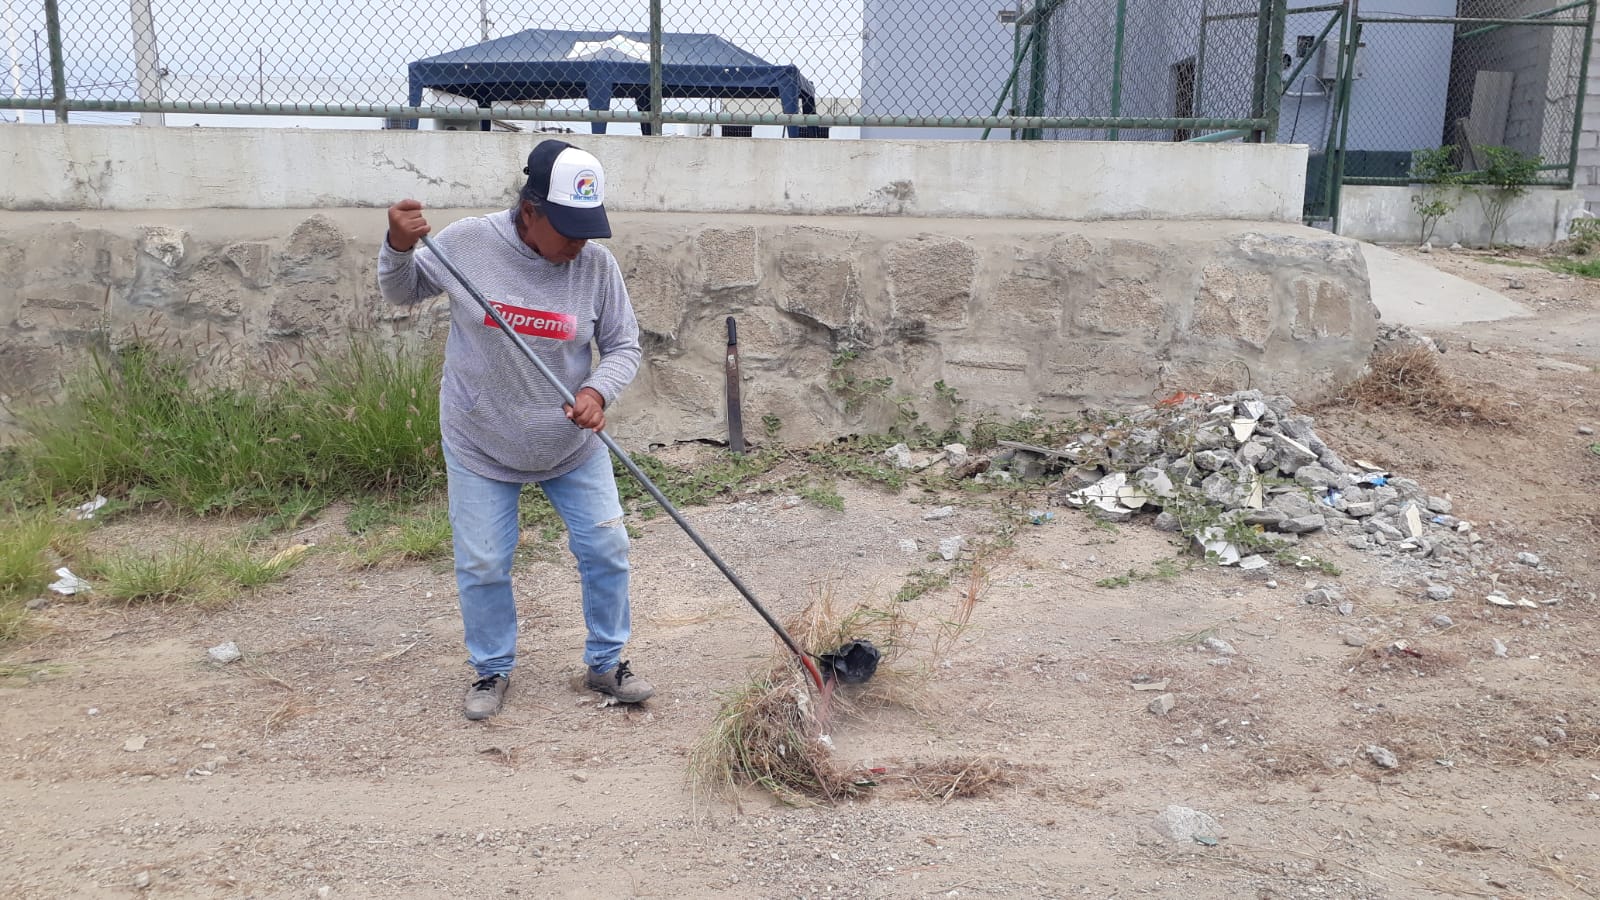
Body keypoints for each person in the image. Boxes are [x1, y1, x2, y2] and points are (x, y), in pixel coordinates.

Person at [377, 139, 653, 720]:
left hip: (570, 444)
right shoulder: (468, 244)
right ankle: (492, 668)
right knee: (483, 563)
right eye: (569, 229)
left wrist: (595, 391)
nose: (580, 244)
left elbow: (624, 345)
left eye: (589, 229)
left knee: (606, 547)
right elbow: (402, 291)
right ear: (530, 212)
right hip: (481, 438)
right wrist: (398, 245)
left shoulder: (596, 267)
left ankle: (606, 663)